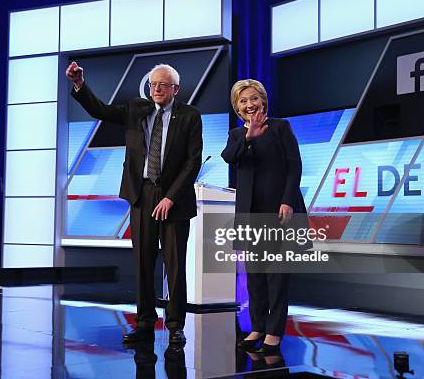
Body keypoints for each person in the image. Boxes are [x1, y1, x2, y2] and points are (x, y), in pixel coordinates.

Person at [66, 61, 203, 344]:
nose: (156, 89)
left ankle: (175, 326)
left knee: (175, 265)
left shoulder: (189, 116)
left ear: (175, 89)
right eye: (153, 84)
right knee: (142, 263)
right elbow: (100, 110)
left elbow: (192, 162)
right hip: (142, 196)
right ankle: (144, 324)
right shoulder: (136, 109)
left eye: (162, 85)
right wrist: (80, 85)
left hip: (173, 199)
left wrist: (170, 197)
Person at [221, 79, 306, 354]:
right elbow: (228, 157)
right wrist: (248, 136)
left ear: (263, 101)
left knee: (277, 276)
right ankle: (257, 326)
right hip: (249, 213)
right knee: (255, 275)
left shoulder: (281, 127)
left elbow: (294, 167)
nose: (249, 105)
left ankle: (274, 331)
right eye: (243, 101)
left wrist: (287, 201)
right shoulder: (236, 135)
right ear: (237, 106)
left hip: (279, 211)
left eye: (253, 99)